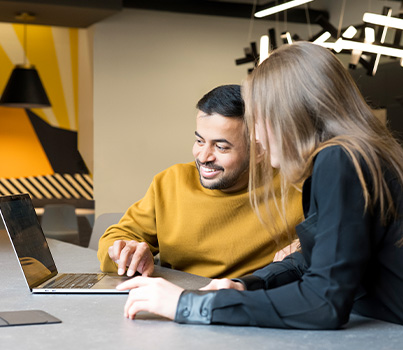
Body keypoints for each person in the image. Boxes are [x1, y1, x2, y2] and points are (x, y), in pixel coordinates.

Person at [117, 42, 403, 329]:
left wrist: (188, 305)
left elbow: (323, 303)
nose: (258, 137)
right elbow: (315, 260)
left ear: (289, 115)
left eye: (258, 119)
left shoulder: (340, 160)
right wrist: (245, 285)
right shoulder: (354, 155)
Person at [98, 85, 302, 279]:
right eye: (200, 141)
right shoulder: (170, 182)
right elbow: (118, 235)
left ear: (258, 151)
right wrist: (124, 253)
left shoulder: (296, 186)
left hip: (248, 304)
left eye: (221, 147)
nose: (203, 156)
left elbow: (328, 240)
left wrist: (303, 246)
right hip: (174, 302)